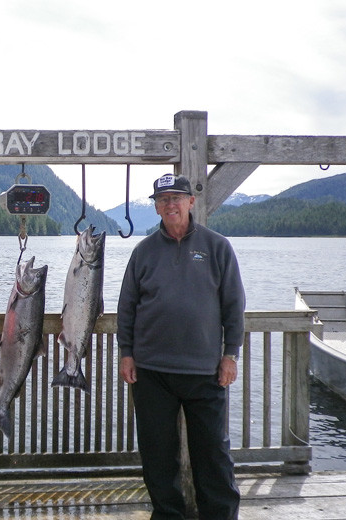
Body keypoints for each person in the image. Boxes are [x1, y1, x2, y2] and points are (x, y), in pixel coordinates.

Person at [117, 173, 246, 520]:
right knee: (158, 455)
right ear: (156, 207)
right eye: (163, 200)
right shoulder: (143, 251)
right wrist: (126, 353)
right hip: (151, 372)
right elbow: (127, 306)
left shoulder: (217, 246)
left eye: (177, 198)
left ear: (191, 202)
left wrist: (230, 355)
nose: (170, 204)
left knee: (213, 455)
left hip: (205, 373)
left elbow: (234, 306)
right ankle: (168, 515)